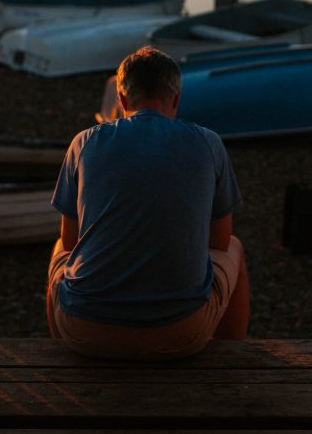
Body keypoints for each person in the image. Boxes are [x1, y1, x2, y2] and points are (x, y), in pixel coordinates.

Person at [46, 45, 249, 359]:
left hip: (85, 331)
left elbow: (71, 241)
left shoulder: (84, 142)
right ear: (176, 100)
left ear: (123, 100)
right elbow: (219, 241)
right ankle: (232, 359)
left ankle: (61, 355)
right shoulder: (208, 142)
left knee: (59, 252)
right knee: (234, 247)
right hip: (182, 333)